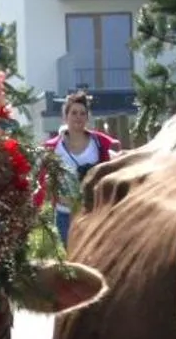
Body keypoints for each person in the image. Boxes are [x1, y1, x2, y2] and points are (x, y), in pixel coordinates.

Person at [43, 90, 119, 243]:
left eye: (82, 113)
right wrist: (61, 199)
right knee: (70, 261)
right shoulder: (53, 148)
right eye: (74, 113)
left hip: (93, 213)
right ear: (65, 117)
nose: (78, 117)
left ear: (88, 117)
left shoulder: (99, 144)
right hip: (65, 215)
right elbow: (46, 183)